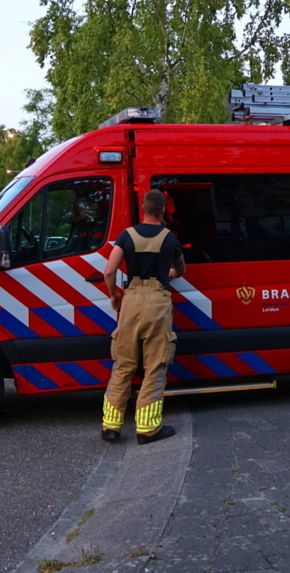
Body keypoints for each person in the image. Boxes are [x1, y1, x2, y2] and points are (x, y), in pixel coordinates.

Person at [101, 189, 185, 444]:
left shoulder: (126, 236)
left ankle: (111, 426)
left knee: (124, 365)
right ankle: (148, 429)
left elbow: (109, 270)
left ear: (144, 209)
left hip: (131, 301)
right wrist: (169, 275)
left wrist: (115, 296)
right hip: (157, 303)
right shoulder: (170, 238)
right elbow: (181, 269)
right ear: (162, 211)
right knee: (155, 366)